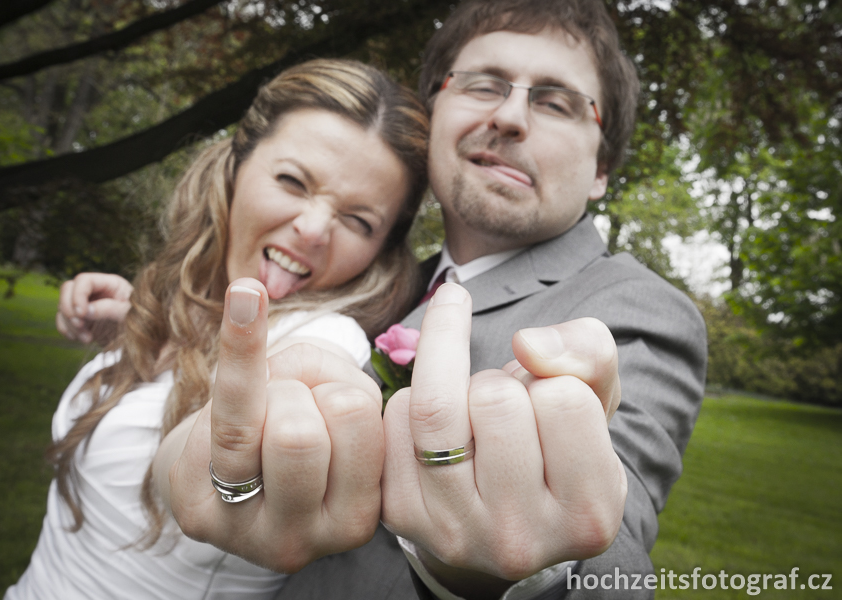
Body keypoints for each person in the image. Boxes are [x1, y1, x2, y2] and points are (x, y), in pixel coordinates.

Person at [62, 0, 707, 597]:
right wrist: (147, 313)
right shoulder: (376, 282)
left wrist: (524, 569)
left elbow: (614, 540)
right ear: (435, 114)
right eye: (483, 84)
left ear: (601, 171)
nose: (510, 117)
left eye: (558, 103)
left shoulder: (635, 312)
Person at [6, 58, 431, 600]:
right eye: (293, 181)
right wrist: (138, 326)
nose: (313, 229)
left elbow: (199, 453)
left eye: (358, 220)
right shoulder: (183, 308)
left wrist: (214, 470)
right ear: (234, 167)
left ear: (381, 251)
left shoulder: (329, 340)